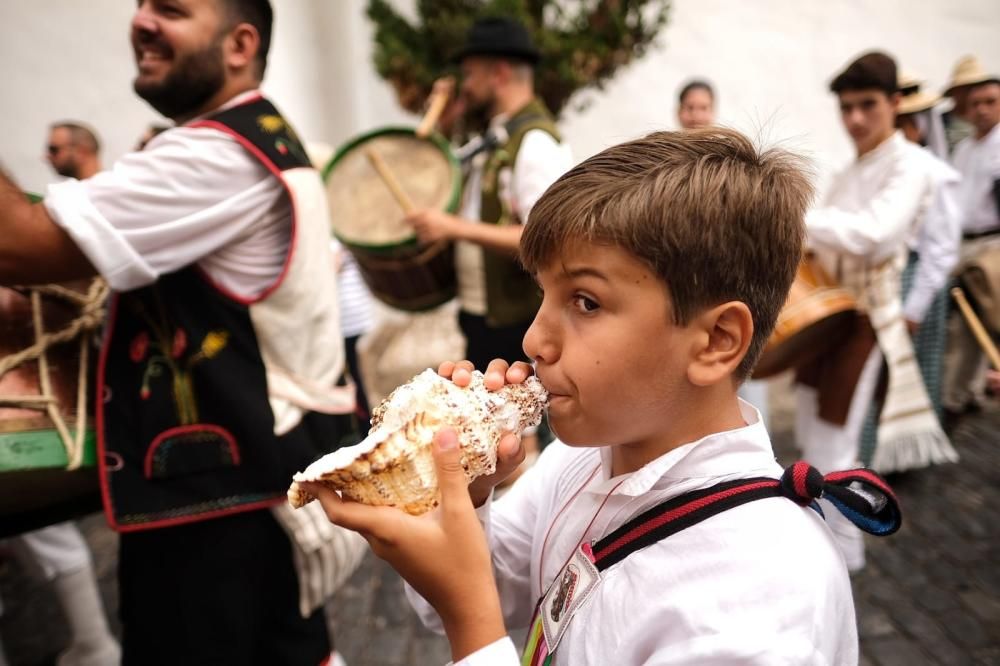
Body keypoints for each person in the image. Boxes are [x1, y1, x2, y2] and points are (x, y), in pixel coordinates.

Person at [304, 128, 903, 664]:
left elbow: (469, 611)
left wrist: (473, 626)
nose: (534, 339)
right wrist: (467, 495)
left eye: (585, 302)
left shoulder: (758, 600)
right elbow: (475, 588)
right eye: (542, 294)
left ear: (716, 341)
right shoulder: (581, 458)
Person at [0, 1, 352, 664]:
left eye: (171, 9)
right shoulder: (258, 135)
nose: (141, 20)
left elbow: (14, 245)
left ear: (239, 44)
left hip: (219, 518)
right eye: (140, 5)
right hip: (246, 498)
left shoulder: (217, 153)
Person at [796, 52, 955, 570]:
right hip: (829, 313)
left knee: (836, 445)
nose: (855, 119)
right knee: (810, 425)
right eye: (846, 107)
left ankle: (842, 560)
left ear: (895, 104)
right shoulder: (852, 170)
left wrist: (803, 220)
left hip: (866, 317)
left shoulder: (912, 164)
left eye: (867, 105)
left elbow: (875, 234)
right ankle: (820, 546)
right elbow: (833, 239)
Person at [404, 16, 572, 462]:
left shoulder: (534, 142)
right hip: (486, 318)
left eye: (471, 74)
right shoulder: (497, 137)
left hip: (518, 321)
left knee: (525, 440)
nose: (465, 85)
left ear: (499, 72)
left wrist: (451, 228)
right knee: (498, 438)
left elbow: (549, 239)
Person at [0, 123, 120, 666]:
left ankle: (95, 647)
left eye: (55, 146)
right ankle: (94, 646)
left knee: (50, 537)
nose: (46, 156)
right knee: (51, 538)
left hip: (41, 414)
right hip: (41, 413)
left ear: (82, 149)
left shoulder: (93, 204)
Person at [858, 76, 962, 460]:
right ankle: (871, 454)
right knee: (875, 378)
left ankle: (901, 455)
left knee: (906, 378)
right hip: (885, 282)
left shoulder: (934, 174)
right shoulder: (884, 172)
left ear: (916, 128)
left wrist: (915, 308)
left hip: (914, 288)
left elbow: (941, 250)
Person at [942, 71, 1000, 427]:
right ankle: (965, 392)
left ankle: (958, 396)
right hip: (964, 242)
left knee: (983, 319)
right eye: (975, 103)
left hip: (993, 243)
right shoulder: (964, 148)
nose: (981, 110)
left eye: (990, 102)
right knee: (965, 319)